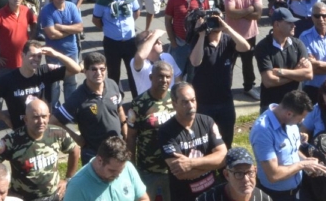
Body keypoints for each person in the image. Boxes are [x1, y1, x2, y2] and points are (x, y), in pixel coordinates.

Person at [0, 40, 81, 130]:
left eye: (39, 56)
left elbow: (76, 69)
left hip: (44, 130)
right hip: (21, 133)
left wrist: (57, 54)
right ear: (23, 56)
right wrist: (4, 117)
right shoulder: (8, 80)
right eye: (32, 55)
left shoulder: (45, 72)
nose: (36, 59)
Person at [248, 89, 326, 201]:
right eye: (301, 118)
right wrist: (303, 165)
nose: (302, 121)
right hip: (276, 195)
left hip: (298, 189)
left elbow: (293, 151)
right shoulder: (263, 131)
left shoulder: (289, 122)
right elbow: (273, 175)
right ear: (289, 113)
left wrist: (308, 162)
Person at [190, 3, 252, 146]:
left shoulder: (227, 40)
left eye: (217, 19)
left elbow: (246, 47)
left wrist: (227, 28)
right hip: (204, 102)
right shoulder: (200, 40)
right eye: (212, 20)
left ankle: (224, 167)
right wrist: (201, 35)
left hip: (225, 101)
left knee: (226, 140)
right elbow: (195, 62)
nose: (215, 23)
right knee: (205, 141)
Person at [157, 82, 228, 201]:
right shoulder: (166, 132)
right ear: (174, 104)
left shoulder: (207, 122)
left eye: (193, 100)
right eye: (185, 102)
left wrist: (191, 164)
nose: (191, 105)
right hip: (184, 196)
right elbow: (180, 172)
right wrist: (212, 163)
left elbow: (224, 157)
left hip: (211, 193)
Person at [53, 52, 127, 163]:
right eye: (94, 69)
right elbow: (54, 121)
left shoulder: (112, 84)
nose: (99, 73)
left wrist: (125, 131)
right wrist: (76, 138)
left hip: (117, 149)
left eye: (102, 69)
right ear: (85, 72)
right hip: (94, 155)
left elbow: (119, 108)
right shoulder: (78, 97)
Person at [127, 61, 175, 201]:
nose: (164, 80)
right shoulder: (139, 103)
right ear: (151, 77)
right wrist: (132, 168)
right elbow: (131, 138)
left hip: (172, 168)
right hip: (147, 170)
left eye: (168, 77)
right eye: (160, 76)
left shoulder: (176, 99)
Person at [61, 135, 149, 201]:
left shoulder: (128, 167)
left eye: (121, 171)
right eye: (112, 170)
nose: (118, 175)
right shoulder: (77, 187)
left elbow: (143, 198)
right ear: (100, 160)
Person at [194, 147, 271, 201]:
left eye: (250, 172)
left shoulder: (263, 198)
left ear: (255, 170)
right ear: (227, 175)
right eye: (239, 174)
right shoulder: (210, 198)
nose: (246, 179)